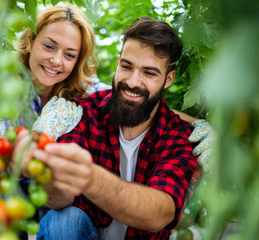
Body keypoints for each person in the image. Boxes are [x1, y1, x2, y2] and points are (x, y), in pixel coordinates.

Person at [14, 16, 202, 239]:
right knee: (63, 220)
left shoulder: (179, 136)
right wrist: (46, 170)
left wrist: (88, 176)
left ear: (168, 79)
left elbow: (160, 214)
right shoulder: (81, 114)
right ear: (117, 63)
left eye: (149, 73)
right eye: (126, 66)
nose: (132, 82)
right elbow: (58, 199)